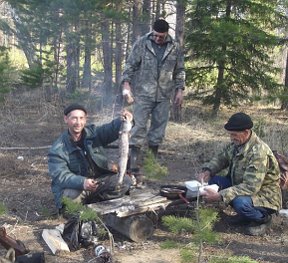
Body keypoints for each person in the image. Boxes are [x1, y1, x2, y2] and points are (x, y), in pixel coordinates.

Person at [197, 112, 282, 236]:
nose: (231, 138)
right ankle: (244, 217)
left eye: (234, 135)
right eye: (230, 134)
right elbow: (221, 158)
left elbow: (251, 187)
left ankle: (263, 219)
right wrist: (208, 171)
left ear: (246, 132)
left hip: (264, 196)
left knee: (240, 203)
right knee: (213, 181)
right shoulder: (238, 144)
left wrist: (221, 195)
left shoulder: (259, 152)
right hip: (241, 187)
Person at [121, 19, 185, 179]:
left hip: (164, 96)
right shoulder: (142, 43)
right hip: (143, 95)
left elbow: (180, 70)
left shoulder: (175, 47)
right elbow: (130, 65)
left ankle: (150, 164)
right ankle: (132, 166)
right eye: (155, 35)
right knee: (138, 128)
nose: (157, 39)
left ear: (166, 34)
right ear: (152, 32)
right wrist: (126, 86)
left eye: (161, 37)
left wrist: (180, 90)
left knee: (157, 132)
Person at [48, 103, 133, 213]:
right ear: (66, 119)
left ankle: (94, 204)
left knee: (124, 181)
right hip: (78, 187)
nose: (78, 123)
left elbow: (111, 129)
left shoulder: (94, 133)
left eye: (81, 118)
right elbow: (61, 176)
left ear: (85, 119)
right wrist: (82, 182)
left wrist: (123, 120)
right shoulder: (57, 149)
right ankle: (79, 209)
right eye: (74, 118)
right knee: (69, 199)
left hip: (96, 183)